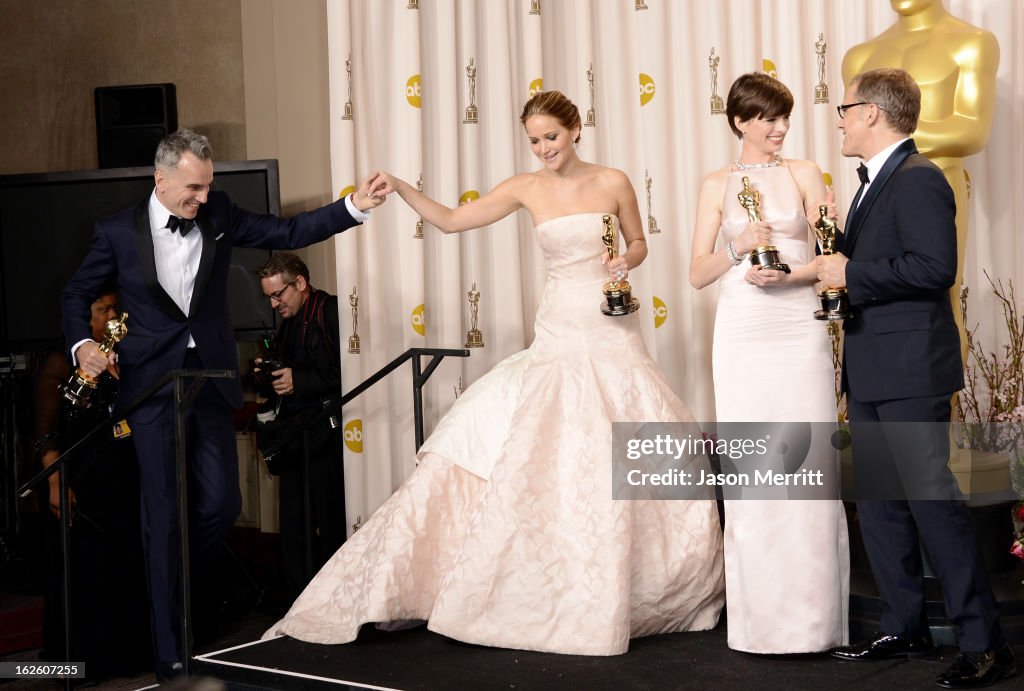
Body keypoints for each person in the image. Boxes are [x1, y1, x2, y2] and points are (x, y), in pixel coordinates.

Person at [265, 90, 725, 656]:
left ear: (576, 129)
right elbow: (456, 221)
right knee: (557, 440)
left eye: (551, 136)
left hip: (611, 320)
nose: (543, 148)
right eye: (533, 140)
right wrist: (406, 189)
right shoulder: (524, 187)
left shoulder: (613, 181)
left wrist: (624, 261)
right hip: (560, 327)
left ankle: (641, 587)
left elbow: (638, 242)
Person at [59, 128, 387, 680]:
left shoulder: (221, 211)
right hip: (151, 388)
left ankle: (171, 576)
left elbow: (288, 229)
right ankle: (169, 654)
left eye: (208, 187)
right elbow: (74, 293)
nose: (203, 198)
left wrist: (354, 207)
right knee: (160, 514)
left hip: (209, 379)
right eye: (193, 188)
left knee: (219, 504)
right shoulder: (116, 231)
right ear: (159, 179)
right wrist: (82, 344)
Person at [820, 68, 1015, 688]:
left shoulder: (919, 177)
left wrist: (848, 273)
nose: (841, 119)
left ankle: (985, 644)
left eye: (846, 108)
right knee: (879, 506)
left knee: (933, 504)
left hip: (909, 369)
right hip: (875, 366)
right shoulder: (876, 182)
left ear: (873, 113)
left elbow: (935, 267)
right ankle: (906, 626)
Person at [688, 72, 849, 654]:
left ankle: (815, 623)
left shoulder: (804, 173)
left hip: (796, 324)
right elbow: (696, 272)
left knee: (807, 462)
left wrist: (792, 271)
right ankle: (758, 624)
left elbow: (830, 249)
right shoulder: (715, 183)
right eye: (767, 119)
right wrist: (736, 248)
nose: (779, 129)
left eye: (784, 118)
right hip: (742, 330)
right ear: (739, 122)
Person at [842, 0, 999, 366]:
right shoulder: (859, 55)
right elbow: (858, 129)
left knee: (938, 295)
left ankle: (935, 417)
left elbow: (972, 130)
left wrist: (889, 134)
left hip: (939, 177)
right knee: (870, 289)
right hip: (876, 187)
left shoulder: (972, 41)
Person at [33, 289, 151, 682]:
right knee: (86, 574)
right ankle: (82, 664)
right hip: (81, 482)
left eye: (114, 308)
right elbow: (44, 434)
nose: (113, 315)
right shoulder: (58, 360)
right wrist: (55, 483)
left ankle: (128, 656)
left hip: (121, 479)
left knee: (124, 567)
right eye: (104, 310)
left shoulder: (119, 356)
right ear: (83, 320)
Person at [255, 252, 345, 604]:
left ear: (301, 283)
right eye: (269, 298)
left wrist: (299, 381)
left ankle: (333, 601)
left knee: (331, 522)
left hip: (326, 434)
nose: (275, 304)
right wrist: (265, 375)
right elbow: (283, 379)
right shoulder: (289, 321)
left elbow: (353, 372)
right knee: (293, 525)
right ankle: (298, 603)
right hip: (295, 435)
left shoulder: (330, 311)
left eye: (279, 295)